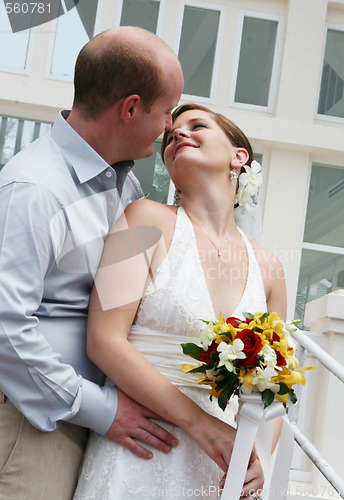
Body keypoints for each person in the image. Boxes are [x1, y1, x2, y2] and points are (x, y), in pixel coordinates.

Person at [0, 26, 184, 499]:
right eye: (166, 112)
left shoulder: (130, 190)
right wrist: (103, 409)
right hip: (32, 423)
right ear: (130, 108)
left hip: (95, 419)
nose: (169, 127)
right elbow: (5, 328)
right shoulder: (34, 189)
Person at [73, 104, 286, 499]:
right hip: (141, 452)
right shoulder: (141, 220)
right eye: (170, 136)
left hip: (221, 470)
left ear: (239, 157)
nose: (177, 136)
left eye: (197, 126)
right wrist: (201, 425)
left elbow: (275, 389)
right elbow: (104, 340)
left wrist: (257, 458)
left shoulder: (271, 269)